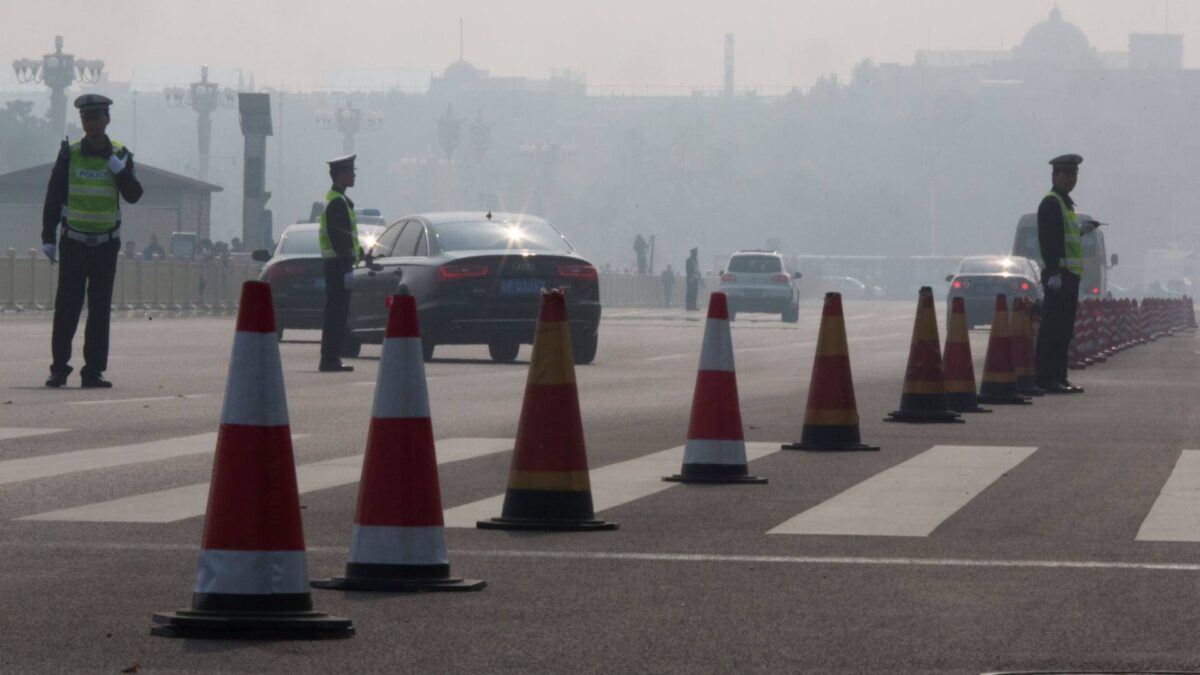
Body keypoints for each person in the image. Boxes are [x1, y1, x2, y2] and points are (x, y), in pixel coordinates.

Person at [41, 94, 144, 388]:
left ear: (107, 119)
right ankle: (59, 368)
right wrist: (47, 237)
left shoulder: (120, 154)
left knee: (99, 310)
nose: (91, 124)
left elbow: (134, 195)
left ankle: (94, 371)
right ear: (82, 122)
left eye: (96, 117)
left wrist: (118, 169)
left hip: (105, 245)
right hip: (73, 243)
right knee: (67, 308)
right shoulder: (69, 154)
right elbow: (54, 196)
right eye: (87, 119)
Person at [1034, 153, 1100, 394]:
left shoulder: (1066, 204)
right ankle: (1046, 378)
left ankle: (1060, 377)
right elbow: (1049, 241)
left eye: (1074, 175)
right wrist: (1053, 272)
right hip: (1058, 276)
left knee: (1064, 330)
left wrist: (1082, 229)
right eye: (1067, 174)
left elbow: (1066, 235)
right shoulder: (1051, 202)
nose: (1071, 179)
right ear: (1055, 175)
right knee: (1052, 329)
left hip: (1069, 276)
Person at [318, 154, 361, 372]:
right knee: (336, 313)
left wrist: (363, 255)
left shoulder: (338, 199)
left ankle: (331, 356)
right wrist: (347, 268)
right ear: (340, 175)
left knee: (336, 312)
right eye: (350, 171)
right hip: (337, 266)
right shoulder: (336, 202)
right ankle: (329, 358)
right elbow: (339, 239)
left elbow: (348, 238)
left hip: (337, 265)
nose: (353, 175)